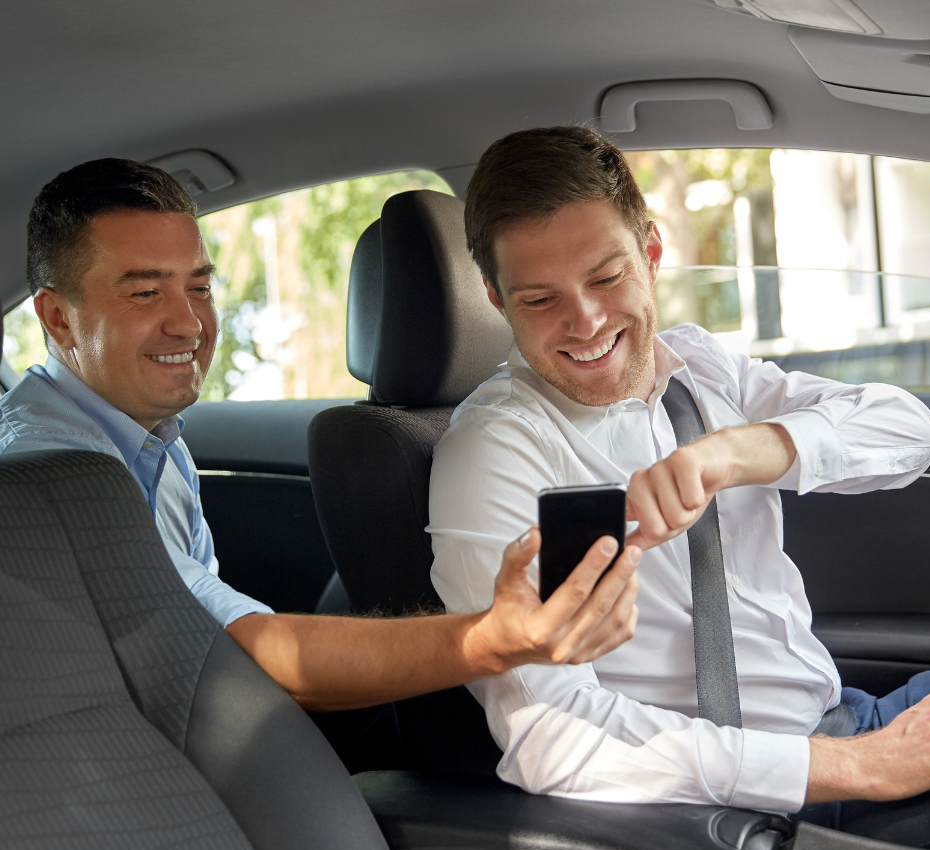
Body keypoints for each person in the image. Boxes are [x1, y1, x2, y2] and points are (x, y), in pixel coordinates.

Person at [428, 125, 930, 850]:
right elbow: (554, 738)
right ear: (496, 298)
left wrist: (742, 450)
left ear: (652, 252)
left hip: (848, 717)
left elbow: (907, 429)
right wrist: (852, 765)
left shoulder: (698, 372)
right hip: (754, 806)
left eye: (605, 278)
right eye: (540, 300)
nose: (587, 322)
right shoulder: (498, 455)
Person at [1, 157, 641, 719]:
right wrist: (493, 638)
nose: (190, 323)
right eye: (145, 292)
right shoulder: (53, 476)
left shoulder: (145, 435)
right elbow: (225, 645)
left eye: (199, 286)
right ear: (59, 318)